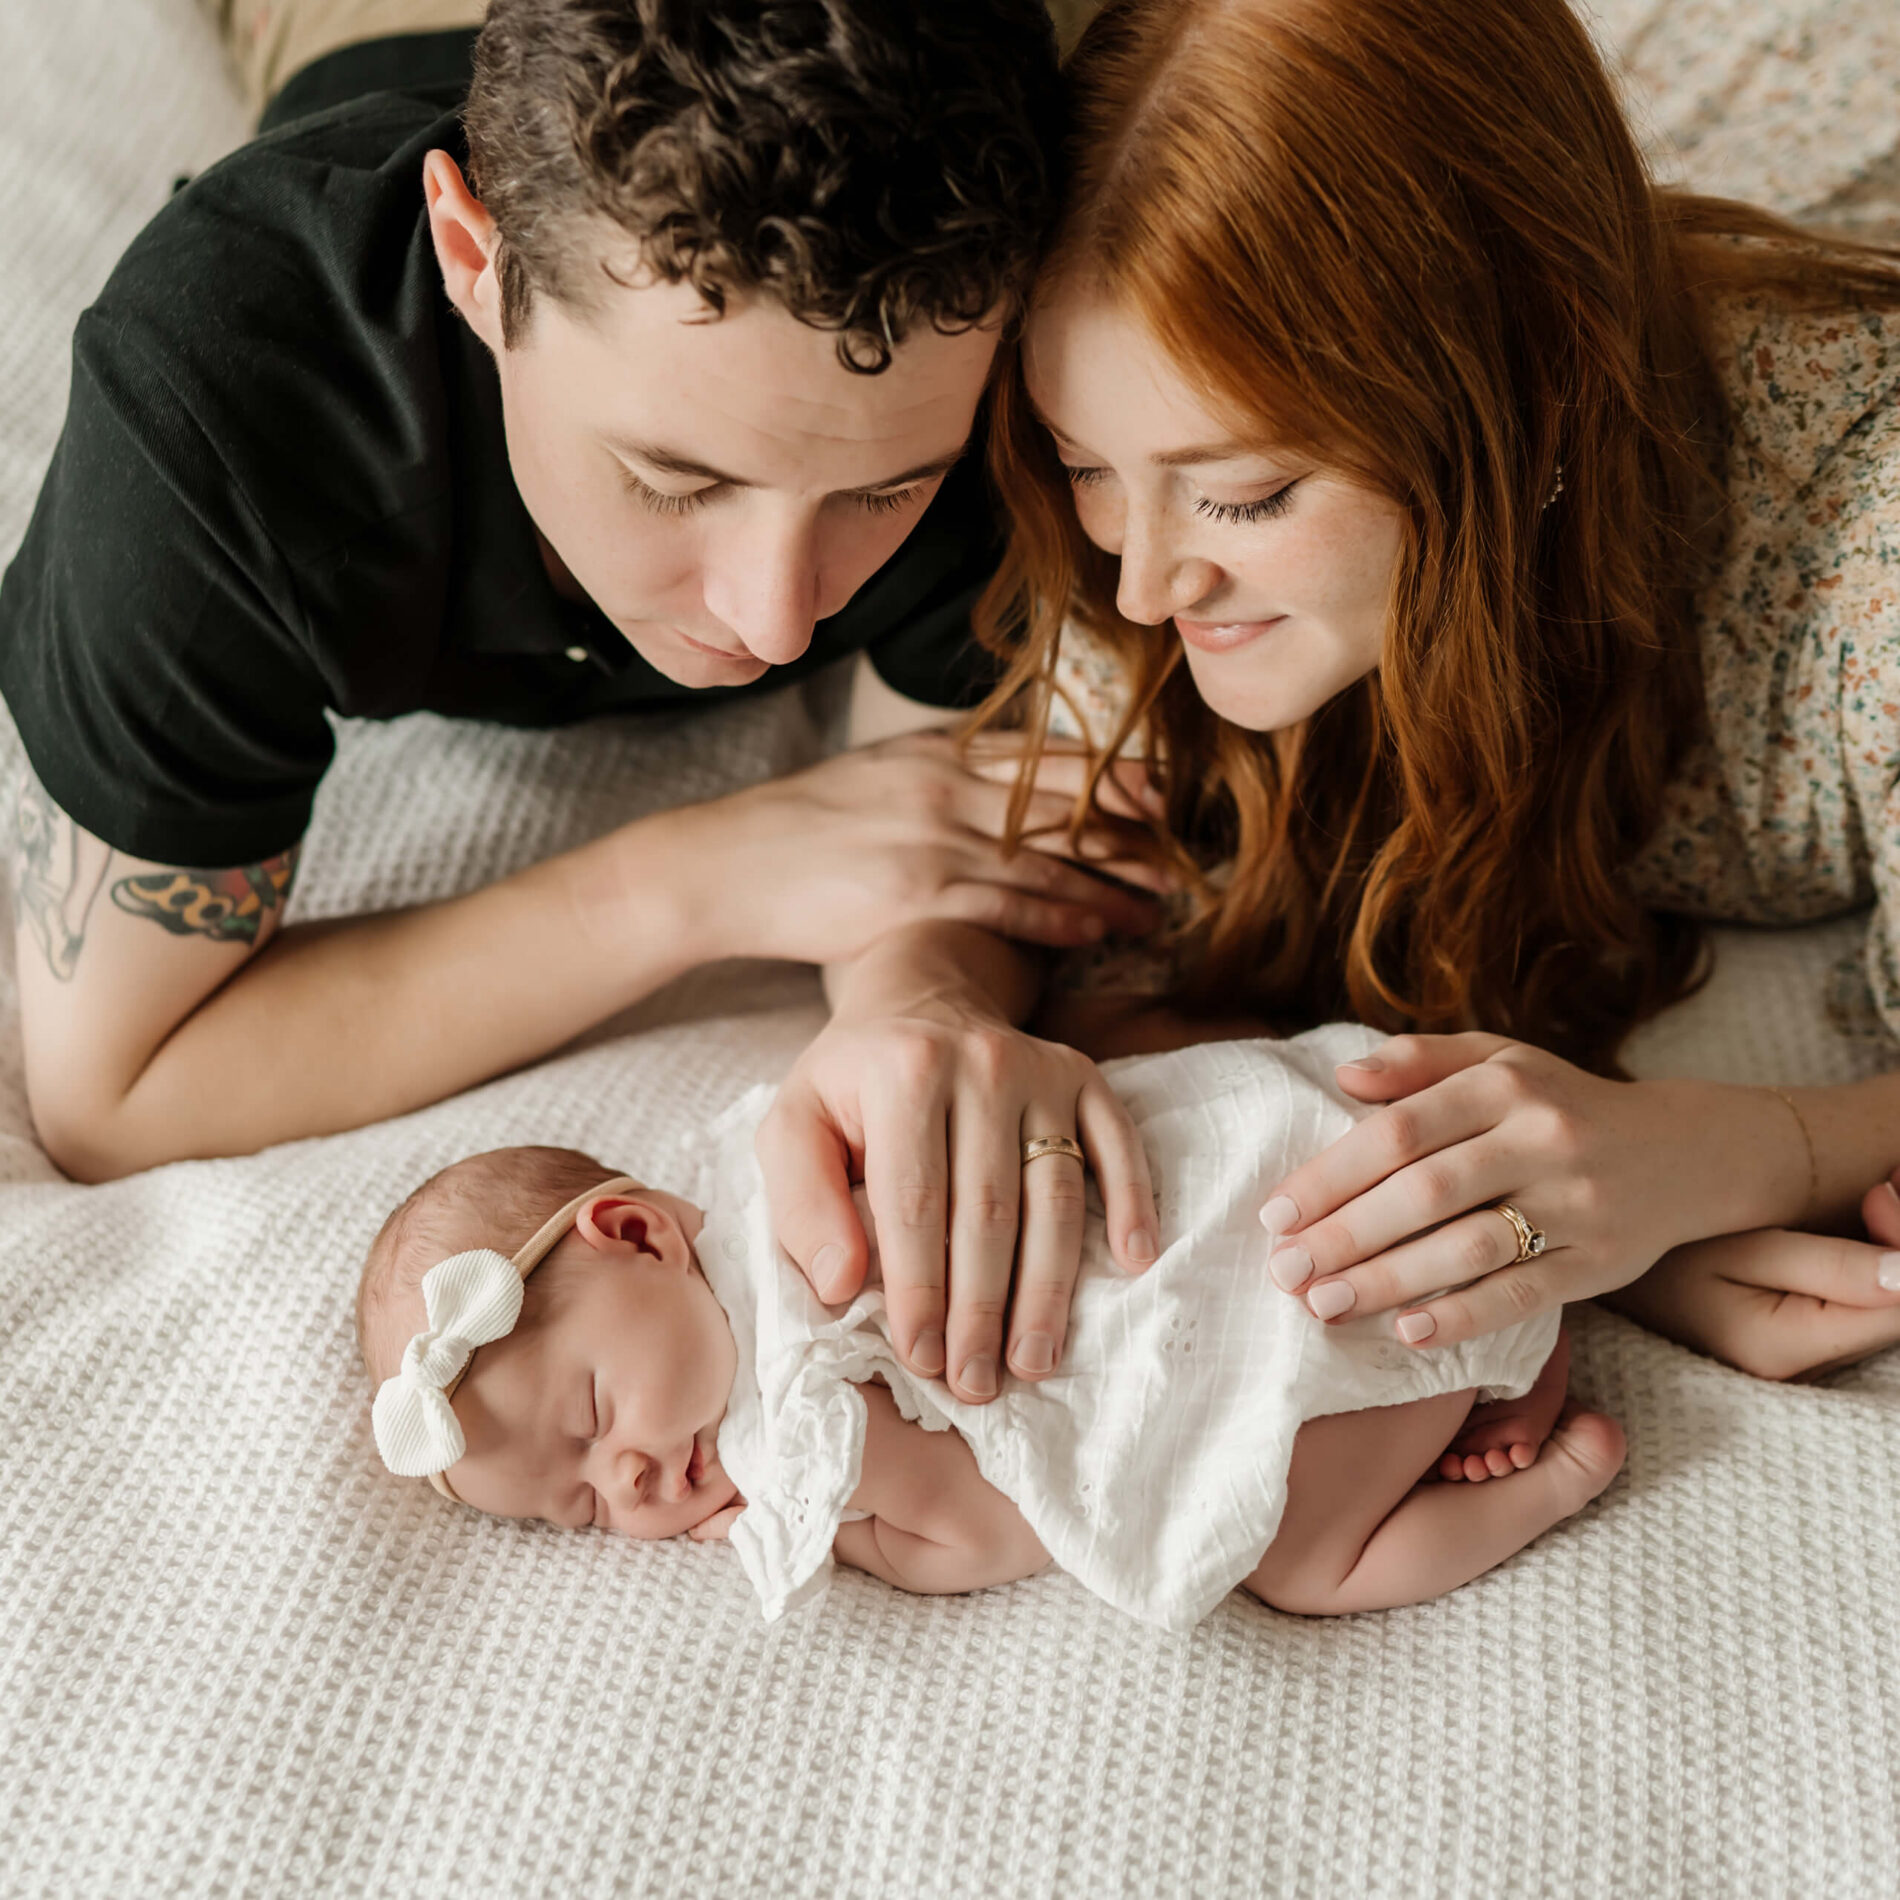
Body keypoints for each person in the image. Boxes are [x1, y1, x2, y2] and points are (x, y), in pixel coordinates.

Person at [0, 0, 1168, 1410]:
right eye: (674, 480)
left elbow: (962, 795)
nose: (772, 614)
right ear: (472, 260)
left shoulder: (1000, 318)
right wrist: (693, 877)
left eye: (882, 495)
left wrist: (914, 998)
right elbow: (116, 1090)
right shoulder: (227, 403)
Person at [972, 0, 1900, 1381]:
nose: (1145, 589)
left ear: (1521, 416)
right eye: (1086, 463)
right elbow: (1067, 918)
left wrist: (1745, 1156)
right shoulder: (1148, 449)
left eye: (1245, 494)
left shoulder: (1862, 557)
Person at [354, 1034, 1623, 1628]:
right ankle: (1511, 1349)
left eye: (590, 1417)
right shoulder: (756, 1183)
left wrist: (853, 1521)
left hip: (1240, 1241)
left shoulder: (795, 1406)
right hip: (1300, 1175)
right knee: (1375, 1325)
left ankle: (1549, 1461)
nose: (622, 1477)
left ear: (636, 1234)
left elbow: (1003, 1529)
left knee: (1297, 1565)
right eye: (579, 1504)